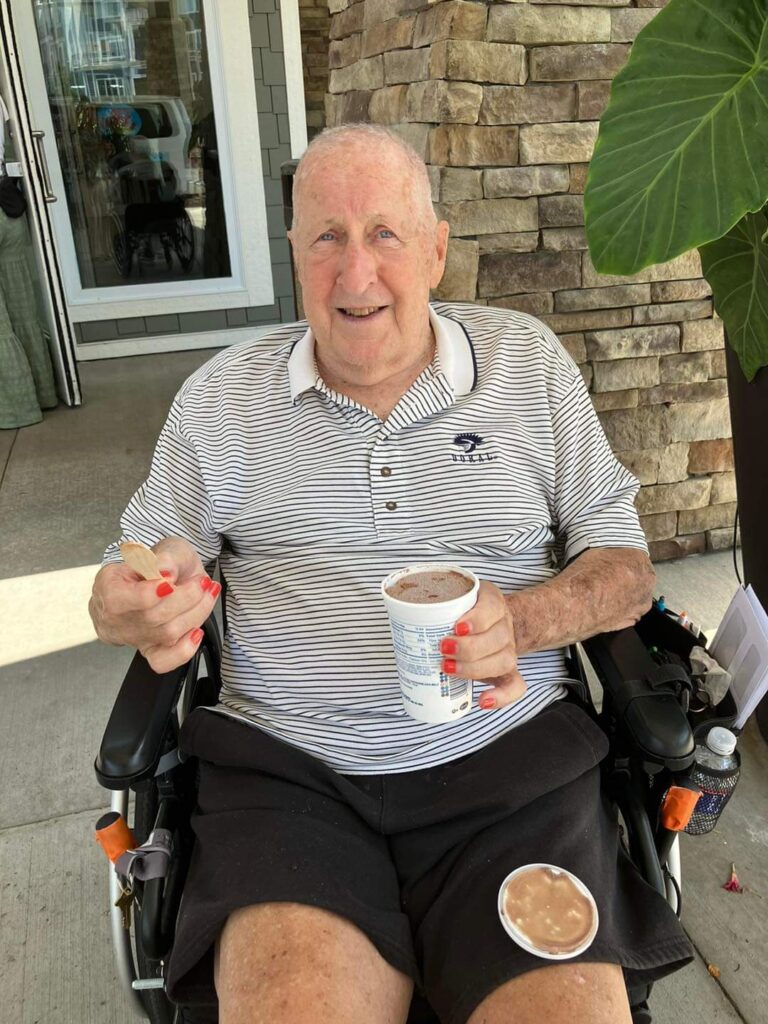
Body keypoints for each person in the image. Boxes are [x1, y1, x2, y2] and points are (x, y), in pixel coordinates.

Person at [90, 123, 693, 1024]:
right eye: (326, 236)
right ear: (292, 254)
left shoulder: (527, 366)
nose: (356, 272)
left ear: (437, 250)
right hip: (289, 783)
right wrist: (133, 603)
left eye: (385, 234)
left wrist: (521, 624)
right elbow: (126, 578)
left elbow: (625, 571)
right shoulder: (221, 399)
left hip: (508, 773)